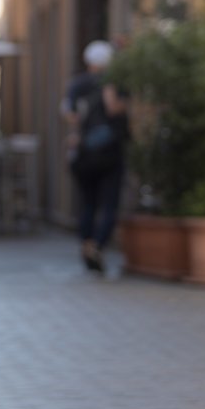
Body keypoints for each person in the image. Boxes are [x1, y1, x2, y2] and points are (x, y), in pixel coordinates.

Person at [62, 40, 129, 275]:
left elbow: (70, 115)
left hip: (83, 153)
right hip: (109, 151)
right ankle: (98, 245)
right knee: (109, 203)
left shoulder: (77, 84)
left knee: (88, 202)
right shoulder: (110, 81)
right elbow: (112, 107)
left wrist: (80, 131)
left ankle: (86, 244)